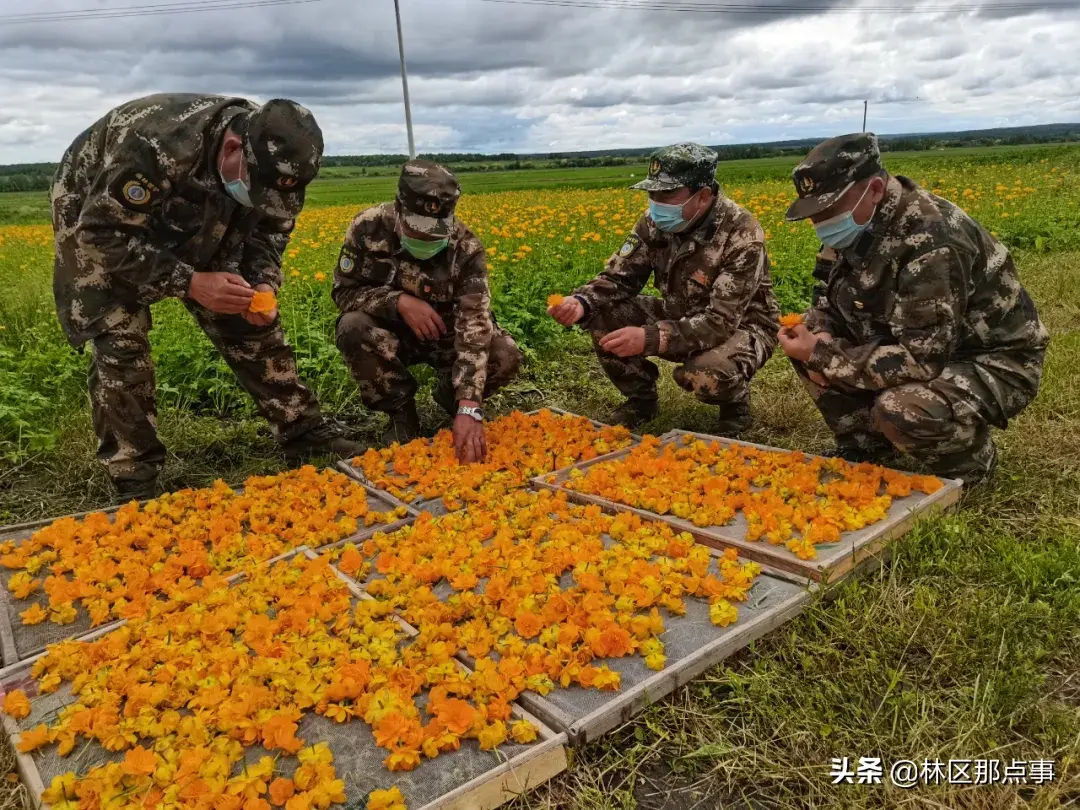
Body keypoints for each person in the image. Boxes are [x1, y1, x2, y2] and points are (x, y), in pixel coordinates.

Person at [51, 93, 362, 500]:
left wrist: (263, 282)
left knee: (246, 306)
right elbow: (101, 235)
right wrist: (191, 282)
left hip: (201, 204)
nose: (266, 200)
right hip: (98, 214)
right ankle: (134, 474)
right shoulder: (158, 145)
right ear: (233, 148)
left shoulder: (275, 167)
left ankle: (304, 432)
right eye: (258, 190)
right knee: (120, 337)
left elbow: (269, 231)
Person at [777, 132, 1048, 485]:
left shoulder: (932, 240)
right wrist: (821, 330)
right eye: (815, 213)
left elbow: (922, 360)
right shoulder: (856, 228)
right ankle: (865, 447)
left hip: (988, 360)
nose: (821, 224)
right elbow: (826, 300)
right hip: (906, 340)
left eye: (830, 210)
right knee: (807, 342)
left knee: (901, 407)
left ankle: (968, 466)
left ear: (874, 189)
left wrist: (826, 355)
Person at [548, 143, 780, 432]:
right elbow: (620, 277)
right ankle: (641, 401)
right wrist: (581, 302)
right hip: (681, 312)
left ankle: (734, 401)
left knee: (703, 373)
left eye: (667, 194)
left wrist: (649, 338)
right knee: (601, 311)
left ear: (703, 195)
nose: (656, 202)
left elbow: (720, 322)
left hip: (742, 327)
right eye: (652, 193)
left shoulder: (742, 234)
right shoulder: (653, 222)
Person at [332, 160, 522, 462]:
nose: (426, 241)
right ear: (399, 210)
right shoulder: (367, 228)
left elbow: (474, 322)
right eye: (417, 231)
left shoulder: (466, 248)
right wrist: (398, 302)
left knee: (505, 352)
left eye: (436, 235)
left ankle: (452, 401)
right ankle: (401, 414)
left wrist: (469, 403)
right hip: (390, 335)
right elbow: (344, 292)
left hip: (446, 336)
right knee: (352, 326)